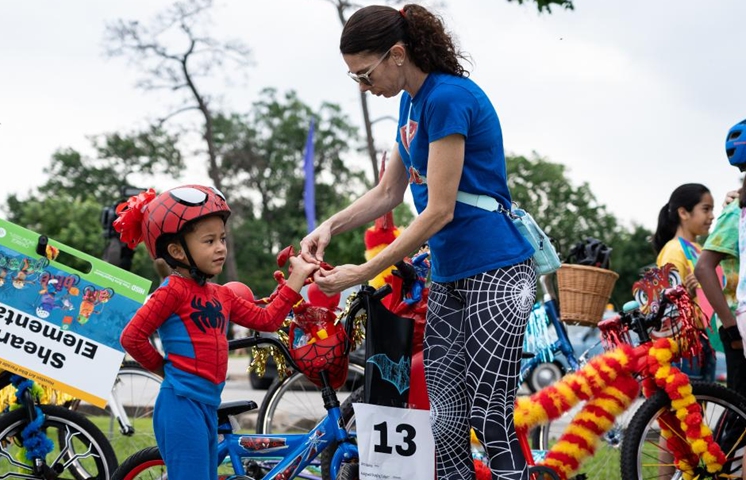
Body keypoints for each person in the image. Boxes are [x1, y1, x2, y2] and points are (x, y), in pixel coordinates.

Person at [300, 5, 536, 479]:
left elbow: (439, 209)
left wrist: (365, 271)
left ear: (399, 54)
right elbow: (390, 191)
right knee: (444, 423)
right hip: (451, 274)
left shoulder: (447, 98)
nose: (365, 88)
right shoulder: (411, 103)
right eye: (355, 79)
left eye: (365, 75)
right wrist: (331, 225)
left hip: (498, 272)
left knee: (489, 418)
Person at [114, 185, 317, 480]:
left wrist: (297, 278)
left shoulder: (222, 295)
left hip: (208, 407)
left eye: (222, 238)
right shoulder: (171, 291)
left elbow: (268, 319)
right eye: (209, 241)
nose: (221, 247)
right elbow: (132, 337)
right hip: (180, 407)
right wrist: (166, 371)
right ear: (176, 250)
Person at [696, 119, 746, 399]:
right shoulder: (735, 212)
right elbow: (704, 268)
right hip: (737, 323)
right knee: (739, 416)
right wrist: (730, 329)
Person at [652, 183, 716, 381]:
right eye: (706, 209)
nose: (712, 216)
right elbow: (664, 307)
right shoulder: (673, 250)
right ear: (683, 213)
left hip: (702, 340)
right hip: (684, 346)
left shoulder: (698, 250)